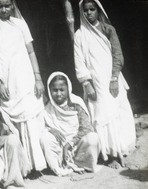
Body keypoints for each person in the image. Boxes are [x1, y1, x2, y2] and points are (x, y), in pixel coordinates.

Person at [0, 0, 47, 172]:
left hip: (25, 79)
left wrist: (38, 78)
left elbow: (31, 51)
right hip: (5, 84)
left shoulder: (20, 24)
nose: (4, 9)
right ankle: (23, 167)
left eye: (7, 5)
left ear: (12, 5)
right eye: (0, 6)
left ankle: (38, 164)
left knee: (31, 116)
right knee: (10, 122)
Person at [74, 0, 136, 168]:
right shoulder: (80, 35)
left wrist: (114, 78)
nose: (88, 13)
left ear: (98, 10)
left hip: (111, 79)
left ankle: (119, 151)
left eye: (92, 9)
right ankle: (108, 155)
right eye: (85, 10)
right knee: (102, 115)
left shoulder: (108, 30)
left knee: (116, 113)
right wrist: (86, 83)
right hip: (95, 83)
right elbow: (79, 61)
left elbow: (118, 56)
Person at [40, 72, 101, 176]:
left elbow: (87, 128)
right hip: (60, 147)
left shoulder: (76, 103)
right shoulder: (47, 108)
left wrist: (70, 144)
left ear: (68, 89)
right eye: (55, 90)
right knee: (44, 137)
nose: (59, 94)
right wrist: (50, 130)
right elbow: (41, 127)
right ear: (49, 91)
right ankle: (59, 167)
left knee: (93, 137)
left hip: (77, 146)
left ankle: (82, 164)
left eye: (62, 90)